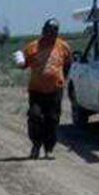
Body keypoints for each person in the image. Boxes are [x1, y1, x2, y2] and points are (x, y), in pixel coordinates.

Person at [16, 18, 73, 159]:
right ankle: (36, 145)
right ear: (43, 31)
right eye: (49, 31)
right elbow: (23, 64)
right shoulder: (32, 47)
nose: (51, 35)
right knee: (35, 117)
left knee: (52, 120)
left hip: (55, 90)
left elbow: (68, 64)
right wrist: (18, 62)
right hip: (36, 90)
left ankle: (49, 149)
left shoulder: (63, 46)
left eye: (54, 32)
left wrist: (62, 78)